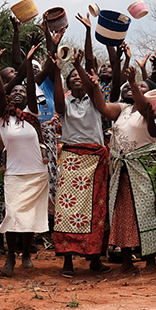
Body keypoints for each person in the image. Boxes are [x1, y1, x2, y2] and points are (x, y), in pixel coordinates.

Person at [84, 61, 156, 272]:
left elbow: (143, 105)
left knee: (147, 212)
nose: (132, 88)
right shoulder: (122, 109)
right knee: (123, 214)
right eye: (128, 86)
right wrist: (94, 87)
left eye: (141, 86)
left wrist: (131, 81)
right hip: (122, 169)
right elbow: (102, 107)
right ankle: (127, 260)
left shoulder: (151, 110)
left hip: (144, 169)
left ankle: (150, 260)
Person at [0, 43, 51, 277]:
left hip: (37, 174)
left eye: (23, 92)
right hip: (14, 174)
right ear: (8, 97)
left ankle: (26, 254)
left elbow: (32, 83)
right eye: (14, 91)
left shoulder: (33, 116)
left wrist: (28, 60)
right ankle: (10, 258)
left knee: (30, 218)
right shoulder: (2, 118)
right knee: (13, 215)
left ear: (29, 99)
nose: (18, 93)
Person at [54, 50, 112, 278]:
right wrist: (59, 70)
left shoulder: (97, 101)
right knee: (67, 210)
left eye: (80, 76)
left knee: (96, 211)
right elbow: (58, 105)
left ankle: (95, 258)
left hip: (95, 158)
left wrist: (79, 66)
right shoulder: (65, 102)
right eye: (73, 77)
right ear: (67, 83)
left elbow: (94, 88)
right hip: (71, 158)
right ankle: (67, 260)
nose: (77, 79)